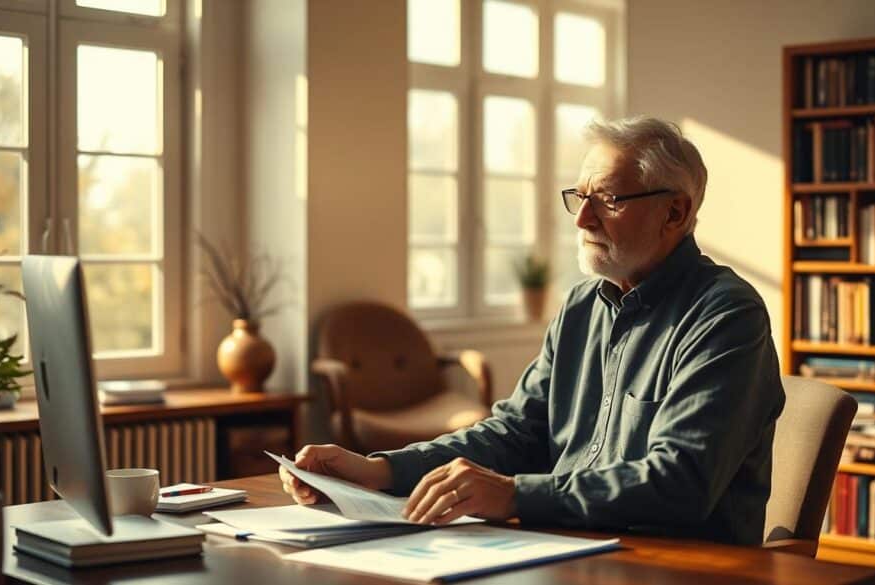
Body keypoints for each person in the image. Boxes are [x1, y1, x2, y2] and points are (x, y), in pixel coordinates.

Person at [280, 116, 785, 545]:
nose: (583, 218)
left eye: (607, 199)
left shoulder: (726, 316)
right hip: (565, 548)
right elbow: (515, 432)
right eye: (580, 196)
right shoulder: (582, 306)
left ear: (675, 211)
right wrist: (379, 471)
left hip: (676, 564)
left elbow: (681, 482)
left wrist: (514, 495)